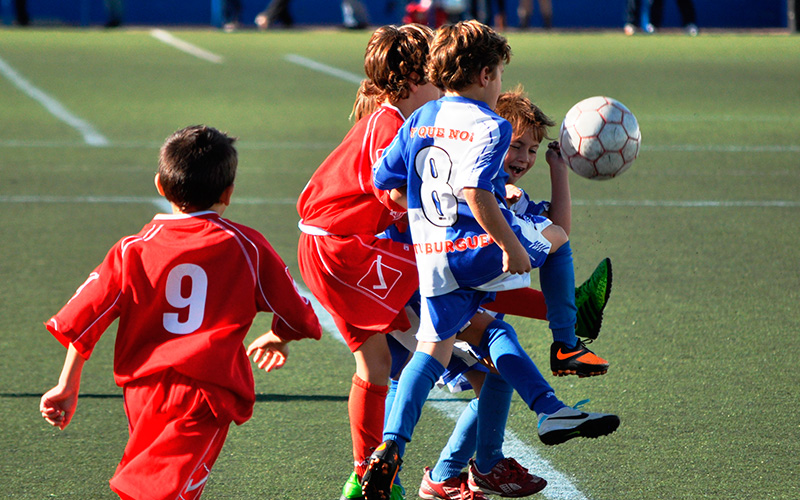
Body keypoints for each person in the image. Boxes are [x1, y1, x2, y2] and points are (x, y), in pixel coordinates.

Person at [363, 20, 620, 500]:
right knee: (558, 237)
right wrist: (510, 245)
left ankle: (391, 445)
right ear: (485, 74)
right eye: (499, 74)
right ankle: (566, 344)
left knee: (432, 351)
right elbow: (476, 191)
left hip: (431, 256)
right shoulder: (490, 125)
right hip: (477, 248)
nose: (499, 83)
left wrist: (420, 206)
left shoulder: (421, 117)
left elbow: (385, 180)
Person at [39, 125, 322, 500]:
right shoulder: (247, 246)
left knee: (151, 488)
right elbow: (298, 315)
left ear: (160, 185)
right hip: (203, 396)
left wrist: (68, 383)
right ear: (228, 193)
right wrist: (279, 335)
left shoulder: (131, 249)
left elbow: (84, 319)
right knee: (161, 492)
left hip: (141, 393)